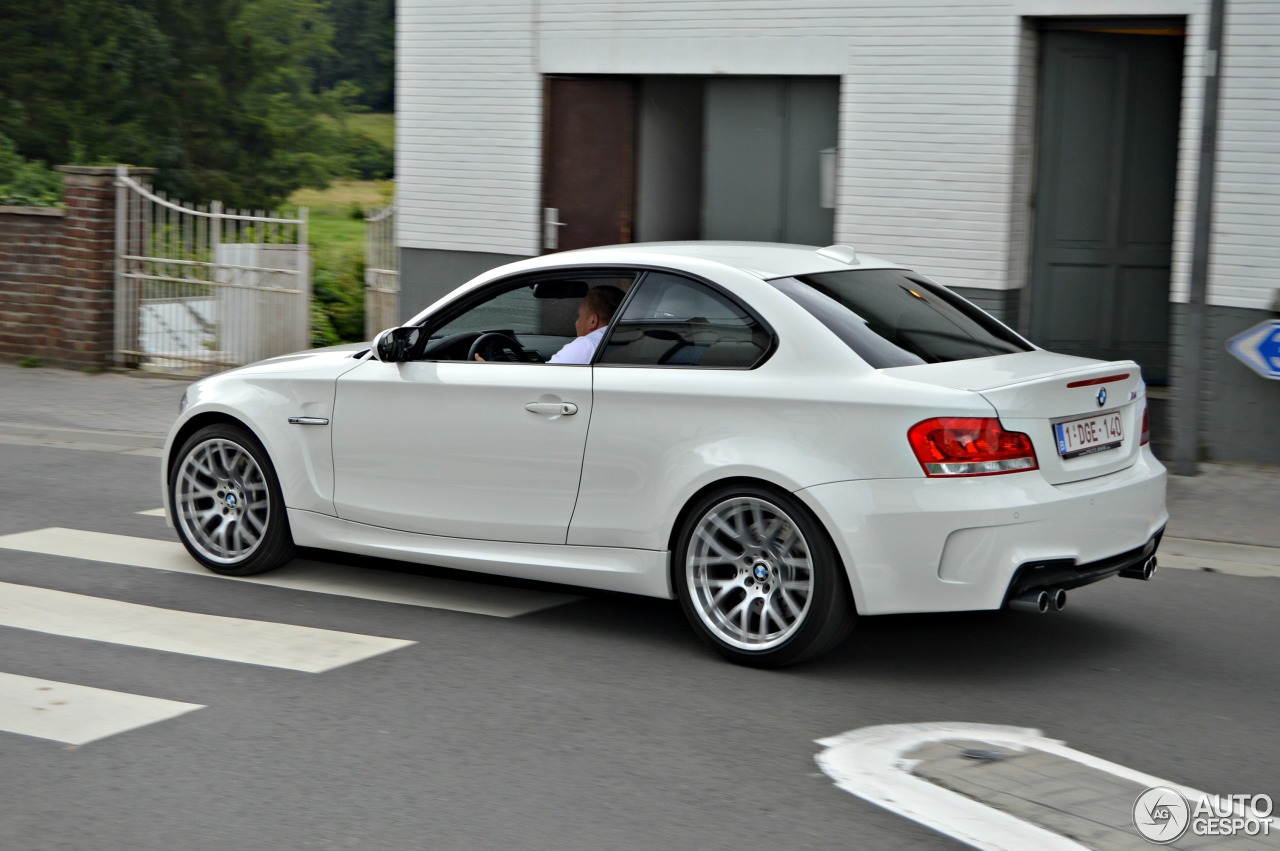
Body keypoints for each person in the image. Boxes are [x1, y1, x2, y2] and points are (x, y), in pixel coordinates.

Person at [475, 285, 625, 364]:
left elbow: (544, 380)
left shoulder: (586, 346)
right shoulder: (625, 342)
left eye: (580, 316)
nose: (576, 323)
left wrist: (488, 372)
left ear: (593, 320)